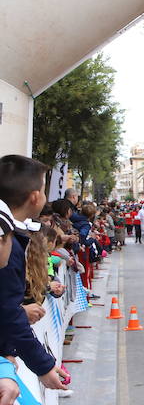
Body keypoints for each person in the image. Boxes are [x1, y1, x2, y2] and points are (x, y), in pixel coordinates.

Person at [0, 155, 69, 391]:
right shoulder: (8, 245)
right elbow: (8, 312)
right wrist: (43, 366)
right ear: (35, 196)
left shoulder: (15, 237)